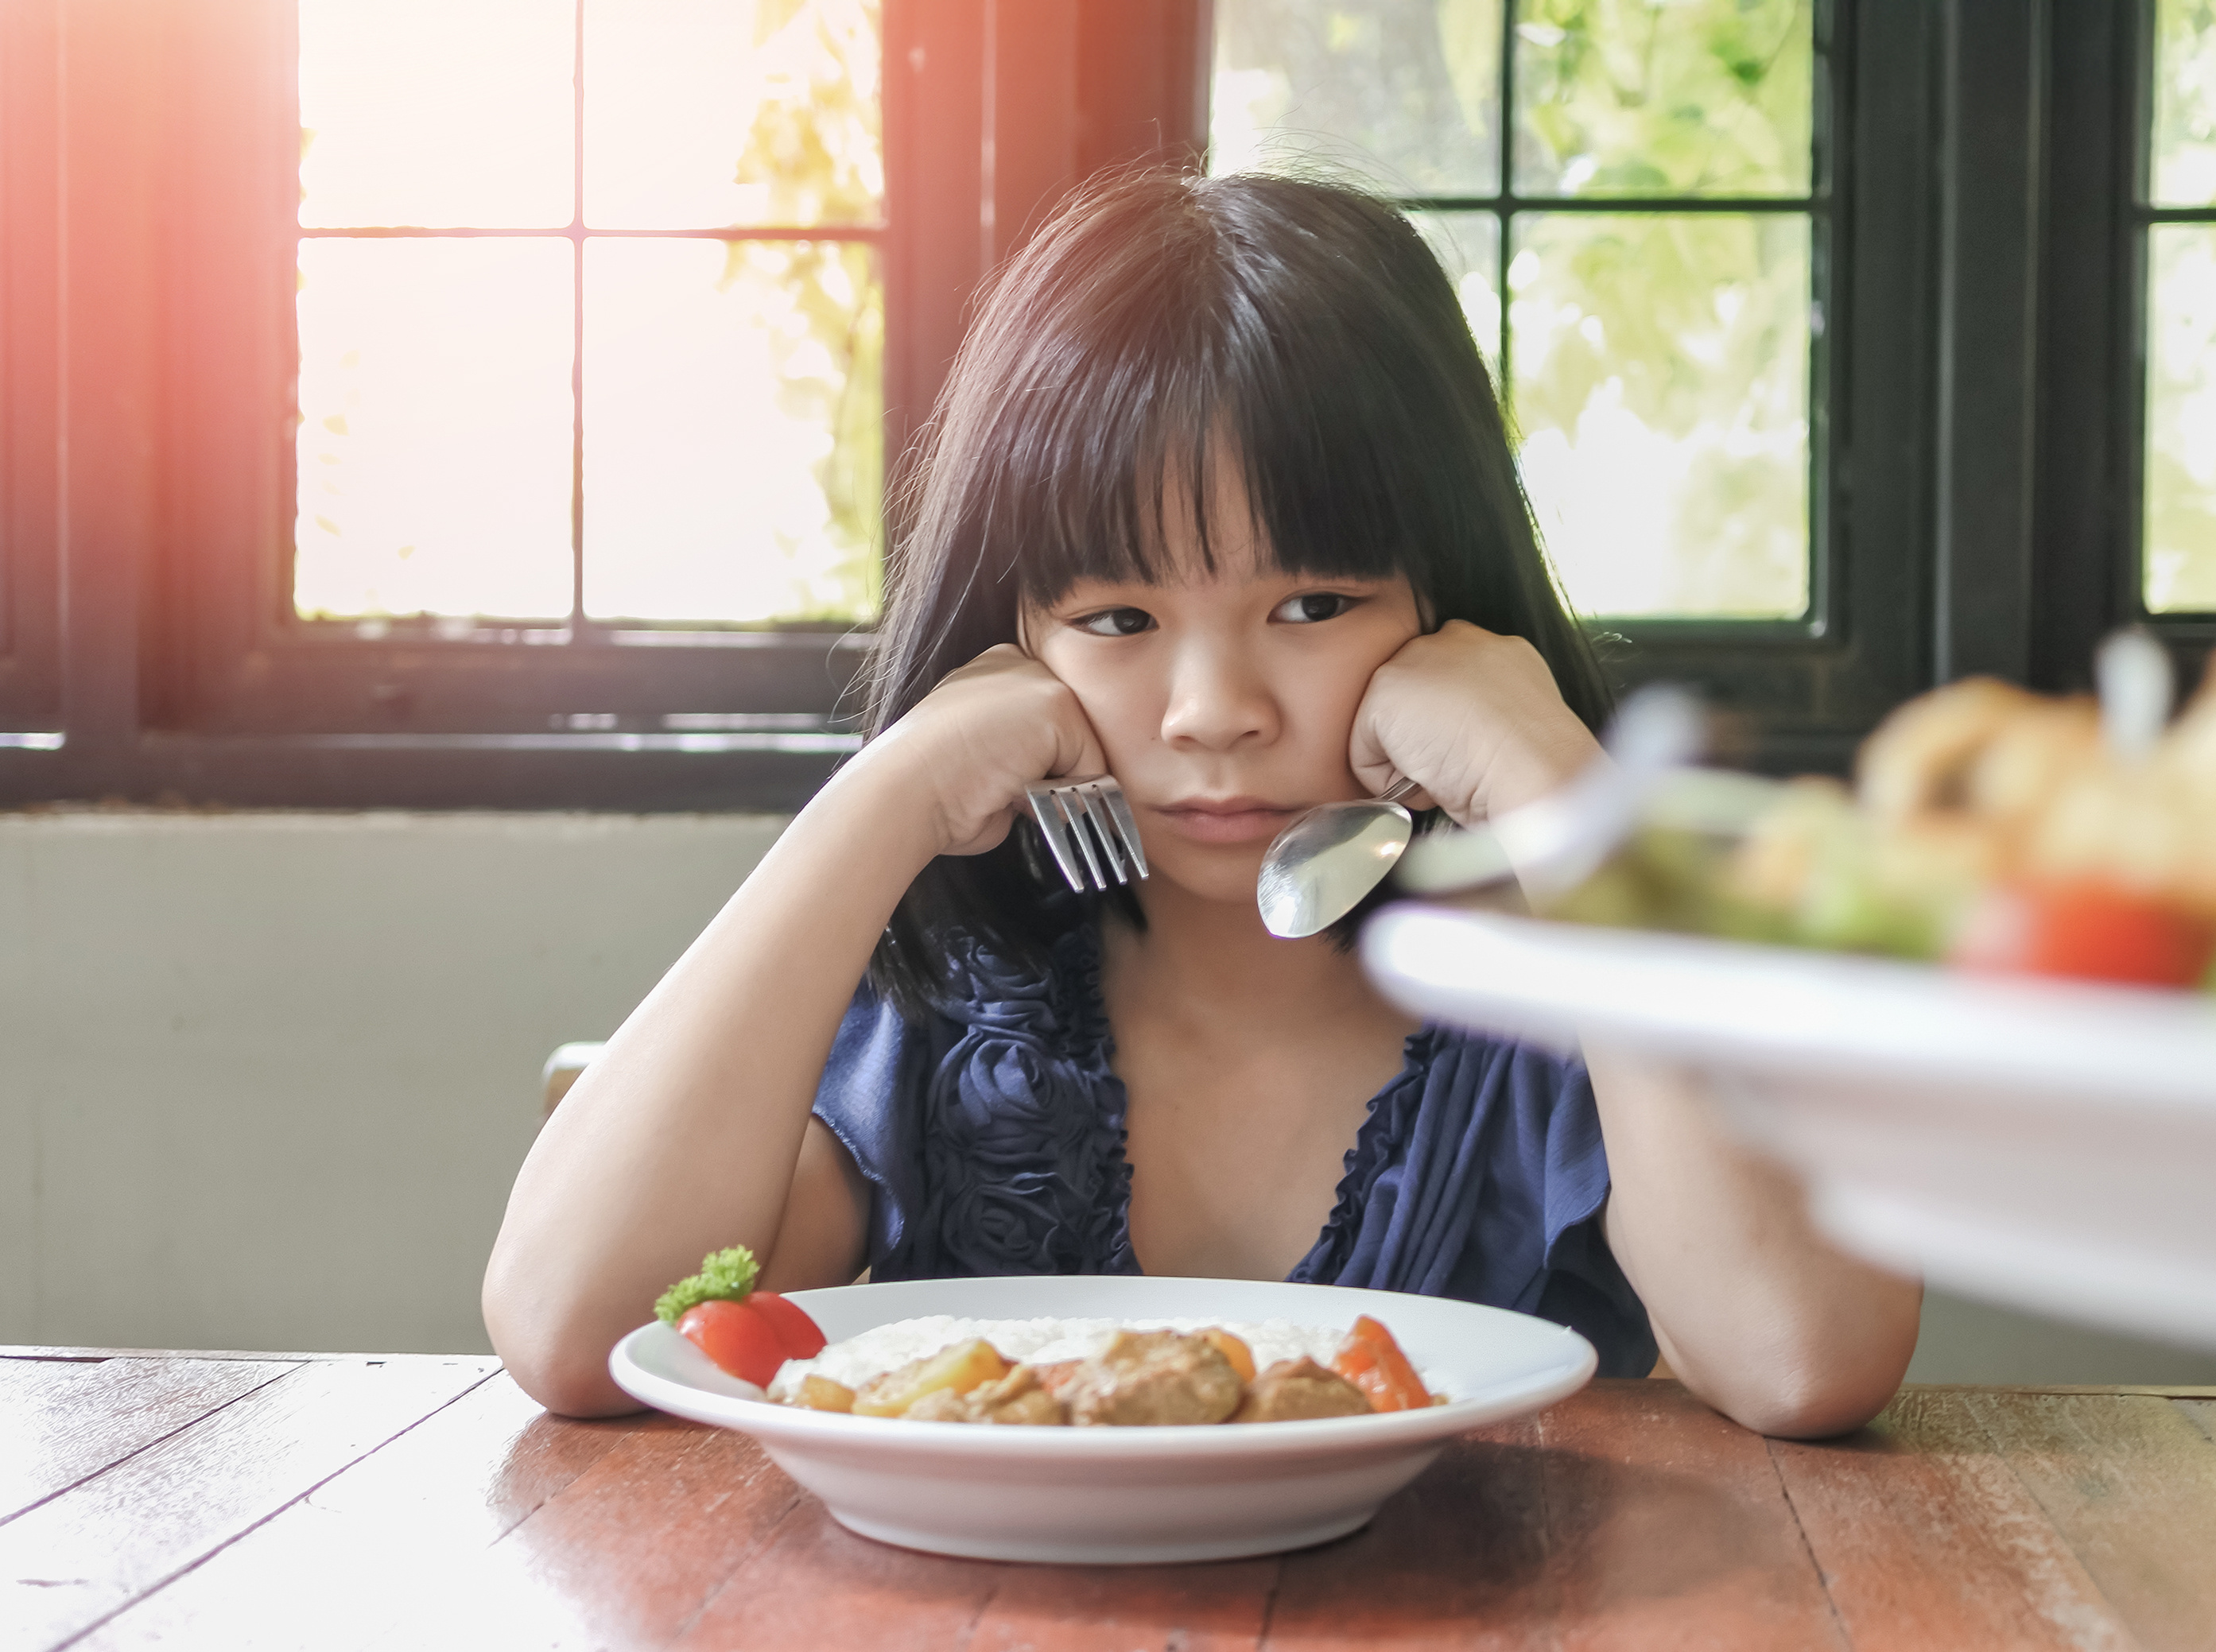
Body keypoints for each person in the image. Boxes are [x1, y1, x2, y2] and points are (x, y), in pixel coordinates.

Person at [483, 169, 1920, 1430]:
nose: (1212, 708)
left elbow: (1804, 1357)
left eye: (1312, 602)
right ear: (1011, 638)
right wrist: (886, 795)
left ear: (1451, 612)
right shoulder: (947, 1013)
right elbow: (574, 1330)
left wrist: (1551, 780)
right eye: (1117, 617)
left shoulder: (1580, 991)